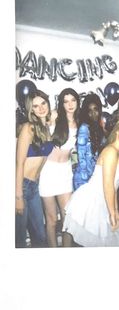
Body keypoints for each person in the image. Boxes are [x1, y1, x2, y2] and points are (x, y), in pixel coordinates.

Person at [62, 118, 119, 247]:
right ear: (117, 131)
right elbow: (107, 185)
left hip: (103, 199)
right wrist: (112, 213)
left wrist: (116, 210)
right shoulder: (111, 152)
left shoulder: (118, 152)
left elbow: (113, 187)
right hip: (94, 199)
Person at [39, 88, 80, 247]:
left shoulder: (79, 121)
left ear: (77, 101)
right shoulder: (55, 116)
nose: (70, 104)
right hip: (48, 171)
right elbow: (39, 132)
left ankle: (66, 251)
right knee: (51, 219)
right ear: (61, 103)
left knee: (67, 217)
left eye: (73, 100)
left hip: (65, 172)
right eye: (66, 101)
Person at [15, 90, 53, 248]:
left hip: (34, 187)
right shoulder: (28, 128)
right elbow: (19, 163)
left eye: (43, 103)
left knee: (40, 235)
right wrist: (18, 197)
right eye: (35, 106)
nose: (41, 108)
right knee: (19, 238)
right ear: (31, 110)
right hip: (21, 186)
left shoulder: (46, 128)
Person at [73, 93, 105, 191]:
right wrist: (87, 180)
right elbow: (81, 157)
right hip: (84, 179)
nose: (93, 113)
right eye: (89, 111)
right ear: (86, 113)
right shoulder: (84, 128)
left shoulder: (98, 128)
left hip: (94, 177)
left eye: (95, 109)